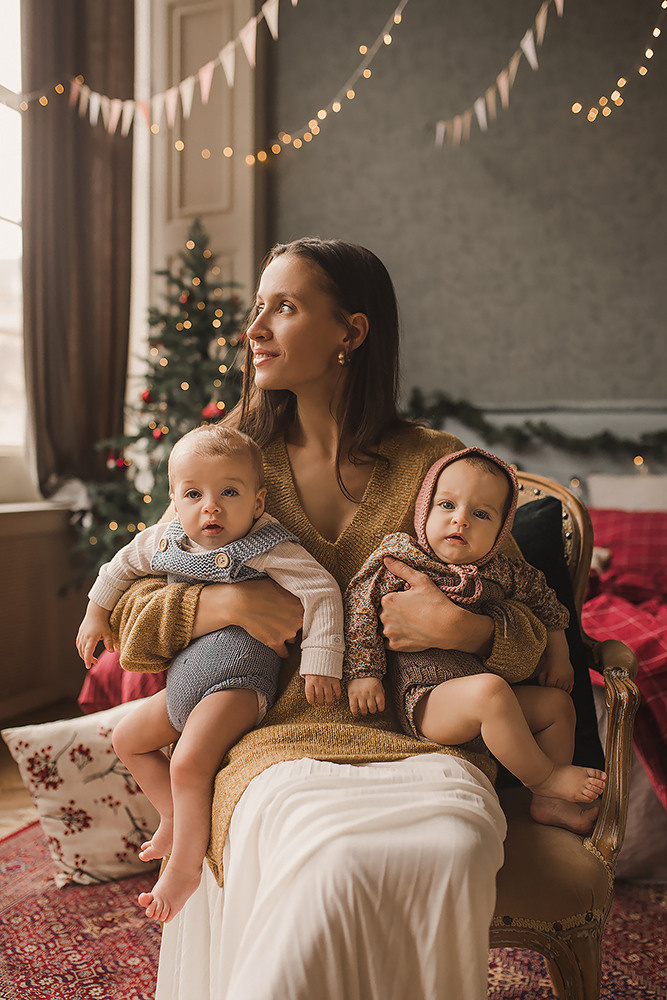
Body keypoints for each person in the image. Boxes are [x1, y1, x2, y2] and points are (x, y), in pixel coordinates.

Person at [108, 238, 558, 1000]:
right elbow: (133, 621)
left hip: (425, 744)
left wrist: (470, 634)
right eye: (257, 308)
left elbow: (532, 625)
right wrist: (221, 601)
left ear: (351, 332)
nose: (253, 329)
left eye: (281, 307)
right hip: (272, 747)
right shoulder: (229, 465)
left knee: (446, 849)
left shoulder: (438, 465)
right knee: (324, 862)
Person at [76, 423, 344, 922]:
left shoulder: (266, 545)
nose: (211, 507)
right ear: (174, 501)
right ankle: (174, 816)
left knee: (188, 761)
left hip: (238, 683)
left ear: (258, 502)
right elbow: (119, 566)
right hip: (185, 683)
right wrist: (96, 613)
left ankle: (184, 869)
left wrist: (321, 662)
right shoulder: (166, 540)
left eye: (229, 493)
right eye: (194, 494)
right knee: (128, 739)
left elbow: (323, 590)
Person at [344, 446, 606, 833]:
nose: (460, 520)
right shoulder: (404, 556)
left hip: (483, 701)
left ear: (501, 530)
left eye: (480, 514)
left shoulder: (505, 571)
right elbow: (359, 605)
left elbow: (549, 605)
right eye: (446, 505)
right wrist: (364, 672)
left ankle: (549, 804)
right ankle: (546, 778)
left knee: (556, 706)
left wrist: (559, 654)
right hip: (426, 701)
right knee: (491, 691)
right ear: (424, 513)